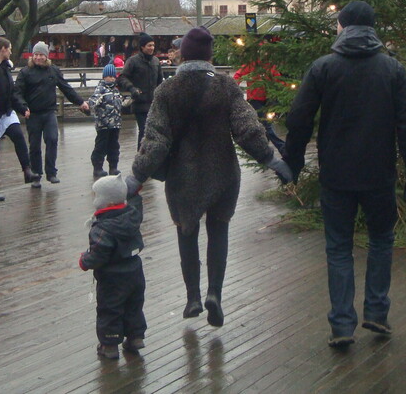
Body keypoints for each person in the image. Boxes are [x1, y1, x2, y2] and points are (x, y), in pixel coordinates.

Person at [283, 1, 406, 346]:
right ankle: (376, 313)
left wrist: (295, 163)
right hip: (379, 173)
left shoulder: (324, 68)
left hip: (336, 174)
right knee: (381, 241)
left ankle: (342, 324)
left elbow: (299, 119)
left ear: (341, 26)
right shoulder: (392, 70)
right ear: (373, 29)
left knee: (338, 248)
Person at [130, 27, 292, 327]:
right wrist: (271, 159)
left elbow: (155, 140)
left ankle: (192, 297)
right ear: (209, 56)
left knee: (187, 231)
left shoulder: (167, 90)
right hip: (223, 173)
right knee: (219, 231)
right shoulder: (226, 86)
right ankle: (214, 294)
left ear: (185, 55)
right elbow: (247, 128)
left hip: (183, 176)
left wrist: (135, 177)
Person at [79, 174, 147, 360]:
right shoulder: (132, 215)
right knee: (134, 305)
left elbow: (99, 254)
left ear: (105, 201)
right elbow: (135, 201)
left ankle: (109, 344)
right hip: (134, 270)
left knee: (110, 309)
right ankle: (135, 337)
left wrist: (84, 260)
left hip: (112, 277)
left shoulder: (103, 228)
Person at [16, 41, 90, 187]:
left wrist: (80, 102)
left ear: (46, 56)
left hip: (49, 112)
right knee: (35, 145)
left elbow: (66, 88)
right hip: (33, 114)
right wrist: (23, 107)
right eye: (36, 55)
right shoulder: (25, 72)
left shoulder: (53, 70)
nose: (38, 58)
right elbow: (17, 92)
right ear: (32, 56)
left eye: (41, 55)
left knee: (52, 139)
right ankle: (36, 174)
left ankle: (51, 172)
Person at [0, 37, 38, 200]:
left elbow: (12, 92)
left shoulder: (6, 67)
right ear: (3, 49)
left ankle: (27, 170)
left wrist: (21, 107)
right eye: (10, 48)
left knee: (19, 136)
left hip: (6, 112)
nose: (11, 51)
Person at [118, 32, 164, 148]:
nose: (152, 48)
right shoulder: (133, 61)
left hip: (154, 103)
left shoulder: (156, 61)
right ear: (142, 47)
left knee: (154, 131)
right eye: (149, 45)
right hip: (139, 102)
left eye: (153, 45)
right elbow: (123, 77)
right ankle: (141, 155)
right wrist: (132, 88)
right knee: (144, 130)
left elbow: (160, 81)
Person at [233, 58, 286, 153]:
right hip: (255, 99)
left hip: (268, 99)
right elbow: (238, 75)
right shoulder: (252, 63)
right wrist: (235, 88)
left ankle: (264, 150)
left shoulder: (270, 65)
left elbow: (278, 79)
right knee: (267, 125)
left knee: (265, 125)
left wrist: (283, 90)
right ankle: (282, 148)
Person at [89, 64, 124, 178]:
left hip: (115, 124)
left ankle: (113, 167)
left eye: (113, 76)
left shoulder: (116, 91)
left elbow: (121, 104)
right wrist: (94, 103)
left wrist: (130, 101)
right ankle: (97, 167)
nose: (111, 78)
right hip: (103, 125)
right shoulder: (100, 89)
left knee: (114, 146)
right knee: (101, 146)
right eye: (109, 76)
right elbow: (92, 103)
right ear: (104, 77)